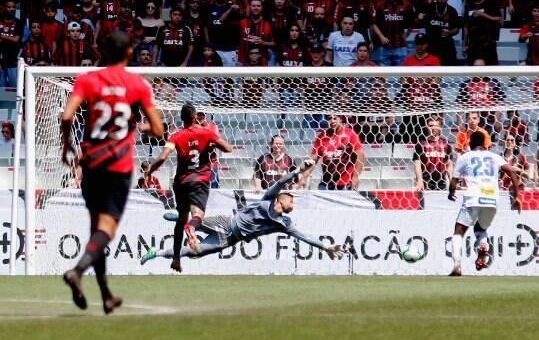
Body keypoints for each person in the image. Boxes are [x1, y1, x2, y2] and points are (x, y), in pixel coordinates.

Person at [60, 31, 164, 314]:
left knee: (96, 229)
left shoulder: (87, 80)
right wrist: (137, 126)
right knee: (106, 229)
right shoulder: (138, 85)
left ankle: (105, 294)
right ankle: (78, 271)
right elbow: (158, 130)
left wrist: (67, 147)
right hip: (118, 165)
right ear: (130, 52)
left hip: (91, 162)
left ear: (101, 51)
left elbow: (67, 115)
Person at [141, 159, 345, 266]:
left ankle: (155, 252)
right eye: (291, 199)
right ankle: (181, 216)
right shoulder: (269, 198)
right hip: (226, 223)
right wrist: (299, 170)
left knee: (193, 252)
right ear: (281, 199)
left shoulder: (283, 223)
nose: (293, 203)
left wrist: (325, 246)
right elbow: (282, 181)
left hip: (230, 239)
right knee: (198, 220)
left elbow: (305, 236)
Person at [146, 102, 233, 272]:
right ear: (195, 117)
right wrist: (213, 143)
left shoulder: (176, 136)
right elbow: (228, 148)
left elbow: (163, 157)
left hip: (181, 183)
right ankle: (192, 228)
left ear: (182, 119)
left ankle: (177, 259)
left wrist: (150, 170)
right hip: (199, 181)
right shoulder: (207, 133)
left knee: (181, 220)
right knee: (197, 216)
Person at [448, 131, 522, 276]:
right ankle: (483, 248)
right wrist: (517, 196)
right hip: (492, 200)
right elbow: (512, 172)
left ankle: (457, 266)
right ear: (484, 144)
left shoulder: (465, 157)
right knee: (480, 229)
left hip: (473, 198)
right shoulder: (495, 156)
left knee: (459, 231)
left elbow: (454, 180)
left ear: (469, 143)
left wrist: (451, 193)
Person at [303, 114, 365, 190]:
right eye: (329, 118)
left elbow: (360, 155)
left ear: (341, 119)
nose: (332, 121)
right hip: (326, 183)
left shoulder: (350, 134)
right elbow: (313, 158)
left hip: (345, 184)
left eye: (335, 118)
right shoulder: (322, 136)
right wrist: (304, 177)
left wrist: (355, 176)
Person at [413, 116, 453, 191]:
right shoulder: (421, 144)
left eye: (436, 126)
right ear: (426, 126)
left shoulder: (446, 144)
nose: (433, 128)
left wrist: (452, 181)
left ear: (440, 127)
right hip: (425, 183)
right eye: (431, 126)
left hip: (441, 183)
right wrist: (419, 180)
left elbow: (449, 165)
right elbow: (417, 164)